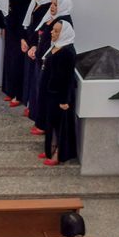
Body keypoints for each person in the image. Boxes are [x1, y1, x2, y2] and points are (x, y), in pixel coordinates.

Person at [33, 0, 74, 134]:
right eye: (52, 3)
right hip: (46, 61)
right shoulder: (55, 18)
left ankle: (44, 126)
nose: (52, 6)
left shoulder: (64, 21)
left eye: (56, 4)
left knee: (47, 97)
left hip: (52, 65)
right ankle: (41, 123)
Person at [39, 20, 78, 166]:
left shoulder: (67, 52)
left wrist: (65, 100)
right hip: (50, 93)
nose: (52, 32)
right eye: (53, 30)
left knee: (60, 126)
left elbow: (67, 78)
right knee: (51, 124)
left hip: (60, 97)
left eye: (56, 31)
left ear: (64, 33)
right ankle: (50, 149)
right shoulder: (55, 46)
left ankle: (58, 154)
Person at [0, 0, 32, 106]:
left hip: (22, 32)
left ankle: (19, 95)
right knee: (9, 61)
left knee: (19, 63)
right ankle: (10, 90)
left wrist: (25, 36)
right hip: (10, 31)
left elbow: (29, 16)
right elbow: (1, 10)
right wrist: (2, 27)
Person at [21, 0, 55, 127]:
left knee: (36, 82)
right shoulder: (37, 4)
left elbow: (40, 31)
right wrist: (24, 40)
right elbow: (29, 24)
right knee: (31, 79)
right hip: (31, 46)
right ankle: (31, 106)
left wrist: (33, 45)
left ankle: (35, 110)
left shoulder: (46, 7)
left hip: (37, 48)